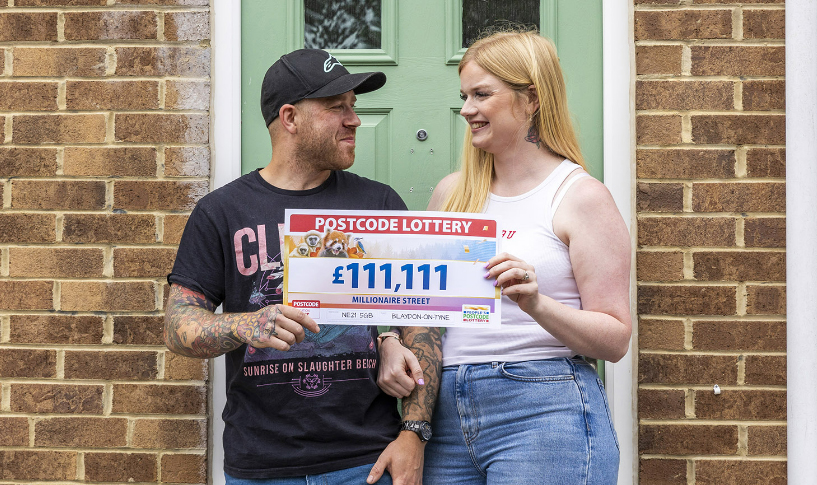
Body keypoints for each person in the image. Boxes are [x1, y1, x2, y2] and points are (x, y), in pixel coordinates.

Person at [164, 49, 441, 485]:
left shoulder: (379, 205)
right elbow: (178, 325)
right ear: (290, 117)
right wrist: (246, 324)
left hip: (367, 461)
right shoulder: (221, 212)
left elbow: (422, 322)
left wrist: (414, 433)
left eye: (354, 107)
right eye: (337, 108)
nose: (354, 120)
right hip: (262, 465)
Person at [384, 30, 631, 484]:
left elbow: (615, 339)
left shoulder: (580, 197)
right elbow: (423, 313)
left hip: (544, 408)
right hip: (446, 418)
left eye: (482, 94)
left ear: (531, 99)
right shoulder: (451, 193)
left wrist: (536, 302)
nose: (467, 110)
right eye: (464, 96)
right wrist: (393, 343)